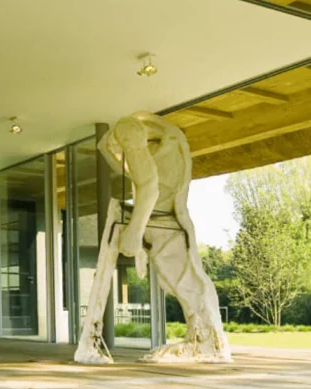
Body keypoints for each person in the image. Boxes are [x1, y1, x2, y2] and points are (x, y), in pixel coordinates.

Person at [73, 111, 231, 364]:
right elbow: (135, 175)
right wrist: (106, 145)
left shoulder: (142, 150)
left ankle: (206, 342)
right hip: (160, 222)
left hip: (158, 223)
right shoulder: (164, 147)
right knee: (188, 280)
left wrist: (135, 231)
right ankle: (88, 344)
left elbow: (148, 187)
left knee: (186, 281)